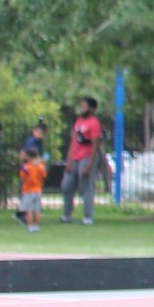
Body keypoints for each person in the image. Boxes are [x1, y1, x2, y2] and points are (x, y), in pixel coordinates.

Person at [60, 95, 102, 225]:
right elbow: (74, 142)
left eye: (84, 106)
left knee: (86, 187)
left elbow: (95, 145)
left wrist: (89, 164)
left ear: (91, 108)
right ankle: (67, 215)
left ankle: (87, 217)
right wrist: (69, 160)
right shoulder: (78, 121)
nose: (82, 109)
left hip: (86, 157)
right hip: (74, 157)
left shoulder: (94, 123)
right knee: (67, 186)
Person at [17, 148, 47, 232]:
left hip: (28, 190)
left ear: (29, 157)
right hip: (38, 190)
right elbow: (43, 176)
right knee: (37, 209)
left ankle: (30, 226)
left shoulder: (26, 167)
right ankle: (36, 226)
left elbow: (22, 178)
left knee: (29, 210)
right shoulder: (41, 167)